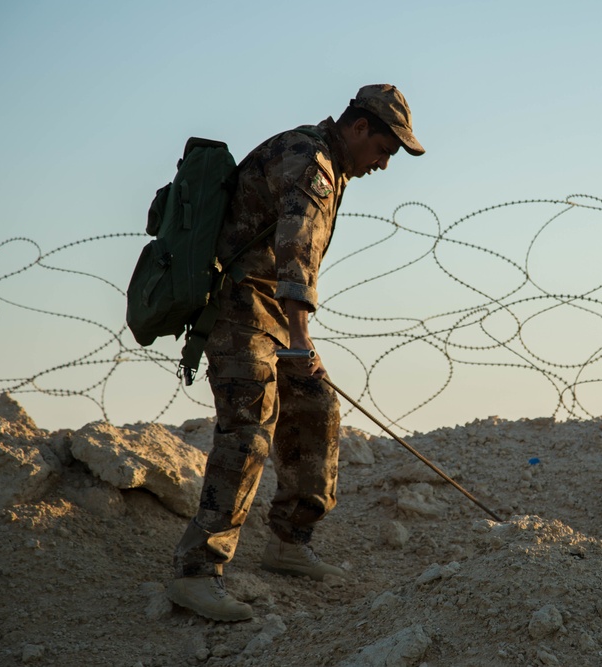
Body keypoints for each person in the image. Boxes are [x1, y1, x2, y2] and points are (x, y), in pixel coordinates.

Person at [166, 84, 424, 621]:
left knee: (316, 410)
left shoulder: (324, 157)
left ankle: (288, 541)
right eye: (384, 148)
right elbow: (295, 248)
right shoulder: (312, 162)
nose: (384, 163)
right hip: (239, 311)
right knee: (248, 433)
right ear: (358, 128)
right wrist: (301, 339)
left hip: (268, 313)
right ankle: (196, 572)